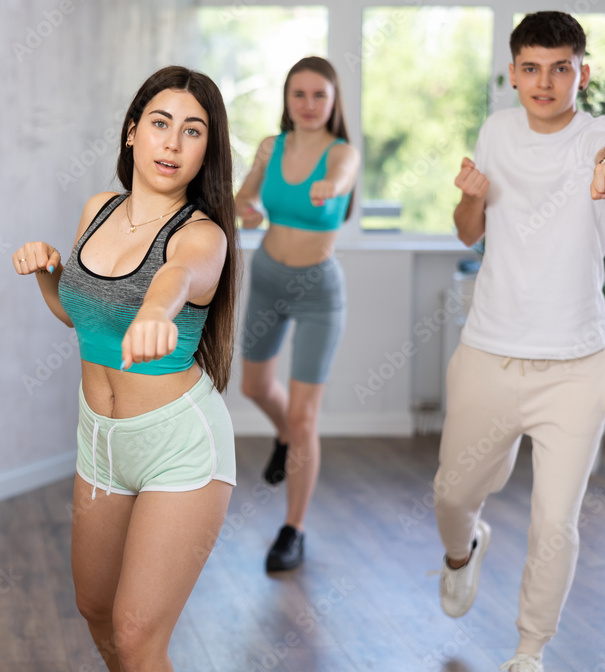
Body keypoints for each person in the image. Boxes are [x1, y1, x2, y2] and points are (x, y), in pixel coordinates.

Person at [14, 66, 237, 672]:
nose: (173, 142)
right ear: (133, 132)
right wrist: (47, 274)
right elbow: (79, 317)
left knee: (138, 634)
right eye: (161, 124)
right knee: (95, 607)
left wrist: (158, 311)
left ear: (206, 151)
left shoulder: (203, 235)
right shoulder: (98, 209)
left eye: (193, 132)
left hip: (179, 445)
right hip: (100, 441)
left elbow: (176, 277)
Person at [434, 12, 605, 672]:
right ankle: (463, 551)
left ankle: (529, 651)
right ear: (514, 71)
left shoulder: (600, 134)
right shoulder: (496, 130)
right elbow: (471, 231)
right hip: (489, 353)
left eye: (560, 67)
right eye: (530, 68)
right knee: (452, 498)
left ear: (583, 70)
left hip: (576, 367)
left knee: (556, 523)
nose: (544, 82)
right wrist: (470, 196)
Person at [234, 56, 359, 572]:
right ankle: (284, 435)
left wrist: (330, 187)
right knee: (254, 388)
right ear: (287, 99)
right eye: (299, 95)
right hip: (266, 277)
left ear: (333, 102)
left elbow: (343, 177)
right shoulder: (271, 146)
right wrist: (248, 208)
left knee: (307, 416)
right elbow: (243, 196)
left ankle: (293, 529)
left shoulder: (341, 153)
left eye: (319, 96)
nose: (308, 105)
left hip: (317, 291)